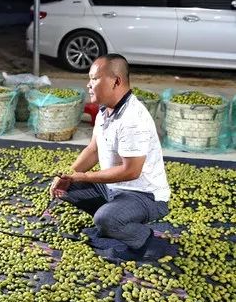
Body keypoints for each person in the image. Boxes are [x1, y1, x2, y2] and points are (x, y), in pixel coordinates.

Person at [49, 54, 171, 260]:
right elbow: (94, 149)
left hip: (144, 195)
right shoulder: (106, 110)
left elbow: (131, 171)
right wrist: (67, 176)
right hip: (114, 189)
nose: (88, 85)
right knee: (66, 187)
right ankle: (113, 222)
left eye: (94, 79)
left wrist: (84, 177)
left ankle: (141, 238)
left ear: (116, 81)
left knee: (106, 219)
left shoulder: (133, 119)